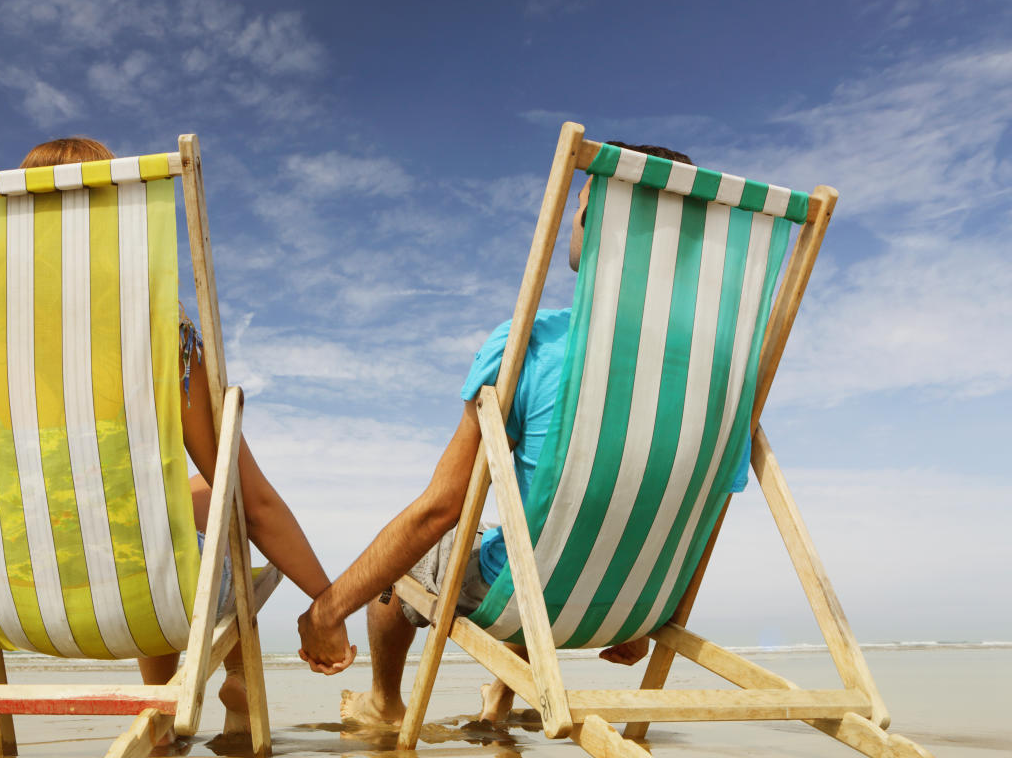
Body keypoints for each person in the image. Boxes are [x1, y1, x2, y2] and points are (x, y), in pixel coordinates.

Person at [297, 142, 748, 726]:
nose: (574, 220)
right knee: (530, 531)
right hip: (638, 608)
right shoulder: (728, 374)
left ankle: (384, 705)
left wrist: (326, 612)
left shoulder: (531, 345)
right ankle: (501, 696)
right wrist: (650, 617)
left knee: (415, 561)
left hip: (529, 601)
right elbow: (705, 511)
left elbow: (441, 509)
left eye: (582, 206)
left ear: (597, 223)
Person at [20, 138, 356, 737]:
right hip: (141, 584)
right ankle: (240, 685)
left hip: (28, 586)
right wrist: (328, 606)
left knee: (177, 496)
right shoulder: (156, 330)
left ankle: (160, 703)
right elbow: (254, 502)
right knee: (222, 498)